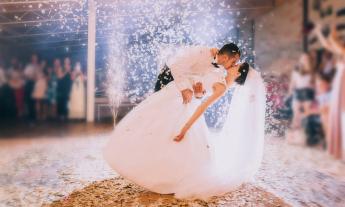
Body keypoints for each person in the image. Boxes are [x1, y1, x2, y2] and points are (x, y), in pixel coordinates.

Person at [103, 44, 266, 199]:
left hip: (185, 103)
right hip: (175, 91)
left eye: (236, 65)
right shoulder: (211, 61)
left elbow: (202, 102)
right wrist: (194, 91)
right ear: (229, 56)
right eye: (234, 61)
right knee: (158, 127)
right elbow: (189, 76)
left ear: (237, 74)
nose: (233, 64)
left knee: (169, 135)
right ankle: (150, 165)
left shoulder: (222, 84)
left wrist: (185, 127)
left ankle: (163, 173)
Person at [154, 44, 240, 102]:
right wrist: (184, 89)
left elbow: (207, 91)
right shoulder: (202, 52)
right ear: (225, 57)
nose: (233, 65)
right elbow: (176, 67)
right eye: (233, 62)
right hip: (168, 78)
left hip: (186, 92)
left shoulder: (220, 70)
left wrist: (199, 94)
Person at [315, 23, 345, 160]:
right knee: (337, 116)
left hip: (342, 87)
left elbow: (334, 44)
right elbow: (328, 45)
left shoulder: (343, 52)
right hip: (339, 86)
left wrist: (332, 32)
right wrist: (319, 33)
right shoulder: (340, 54)